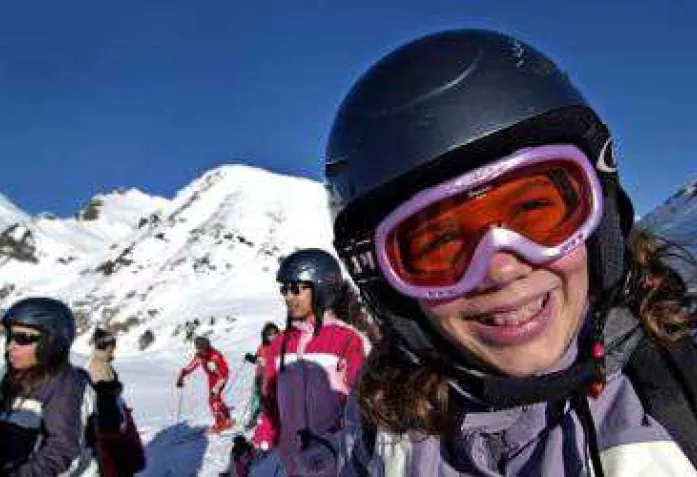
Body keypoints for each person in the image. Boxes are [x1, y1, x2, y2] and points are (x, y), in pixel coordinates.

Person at [325, 29, 697, 476]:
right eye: (440, 246)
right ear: (384, 283)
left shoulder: (680, 395)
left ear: (599, 219)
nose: (501, 269)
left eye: (535, 212)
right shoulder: (385, 429)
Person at [252, 248, 367, 476]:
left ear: (322, 288)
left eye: (296, 289)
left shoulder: (346, 339)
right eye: (284, 289)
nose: (288, 297)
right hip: (293, 460)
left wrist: (340, 432)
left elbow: (363, 400)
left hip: (336, 457)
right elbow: (270, 398)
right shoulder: (278, 346)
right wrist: (266, 430)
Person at [0, 297, 98, 475]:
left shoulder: (67, 387)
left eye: (23, 338)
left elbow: (63, 453)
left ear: (51, 343)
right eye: (10, 336)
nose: (11, 346)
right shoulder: (13, 379)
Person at [87, 328, 146, 477]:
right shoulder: (98, 365)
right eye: (112, 345)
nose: (114, 348)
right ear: (105, 345)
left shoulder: (103, 362)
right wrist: (118, 419)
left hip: (112, 422)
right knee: (118, 463)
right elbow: (103, 398)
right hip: (109, 426)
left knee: (120, 462)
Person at [177, 335, 233, 434]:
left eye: (202, 348)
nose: (200, 351)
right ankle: (227, 418)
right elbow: (192, 365)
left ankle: (221, 423)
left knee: (213, 400)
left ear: (207, 346)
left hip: (221, 377)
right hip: (212, 377)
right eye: (198, 348)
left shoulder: (215, 356)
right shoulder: (200, 355)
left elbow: (224, 372)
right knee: (216, 399)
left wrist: (217, 386)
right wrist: (183, 374)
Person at [243, 322, 280, 430]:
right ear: (265, 336)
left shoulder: (280, 347)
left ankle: (271, 419)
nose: (273, 336)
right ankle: (253, 418)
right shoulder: (262, 346)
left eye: (275, 333)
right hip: (259, 376)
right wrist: (251, 358)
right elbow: (258, 358)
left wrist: (263, 361)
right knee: (255, 398)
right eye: (269, 334)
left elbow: (274, 362)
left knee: (269, 398)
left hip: (271, 377)